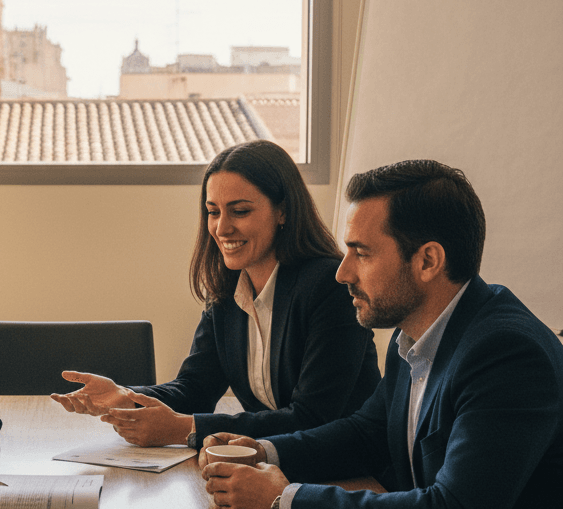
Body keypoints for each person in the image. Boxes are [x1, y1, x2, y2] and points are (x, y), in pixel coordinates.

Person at [201, 160, 563, 509]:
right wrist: (263, 451)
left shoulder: (507, 354)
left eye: (362, 253)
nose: (342, 272)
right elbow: (367, 434)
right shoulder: (413, 333)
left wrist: (283, 502)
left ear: (427, 261)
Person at [51, 140, 380, 448]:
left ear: (283, 211)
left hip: (349, 475)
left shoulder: (330, 286)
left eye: (240, 211)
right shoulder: (227, 292)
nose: (222, 228)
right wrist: (125, 396)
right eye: (213, 211)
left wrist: (186, 429)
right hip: (271, 466)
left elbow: (311, 418)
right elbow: (195, 388)